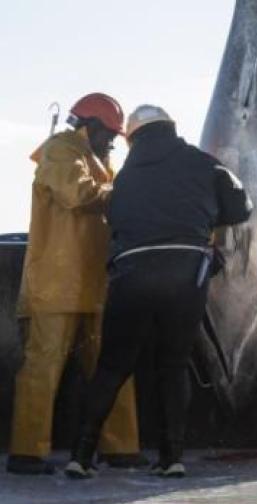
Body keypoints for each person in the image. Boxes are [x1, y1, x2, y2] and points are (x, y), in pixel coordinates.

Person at [65, 105, 251, 479]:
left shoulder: (126, 177)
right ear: (172, 127)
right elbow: (241, 207)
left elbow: (116, 218)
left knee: (113, 365)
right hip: (185, 275)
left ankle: (81, 456)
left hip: (131, 274)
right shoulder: (204, 163)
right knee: (173, 365)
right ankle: (172, 458)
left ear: (132, 137)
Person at [6, 93, 143, 475]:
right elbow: (77, 194)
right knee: (43, 368)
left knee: (113, 365)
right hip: (56, 284)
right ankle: (27, 453)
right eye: (110, 134)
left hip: (97, 283)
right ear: (91, 126)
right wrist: (133, 195)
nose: (113, 142)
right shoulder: (59, 151)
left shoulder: (102, 161)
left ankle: (121, 448)